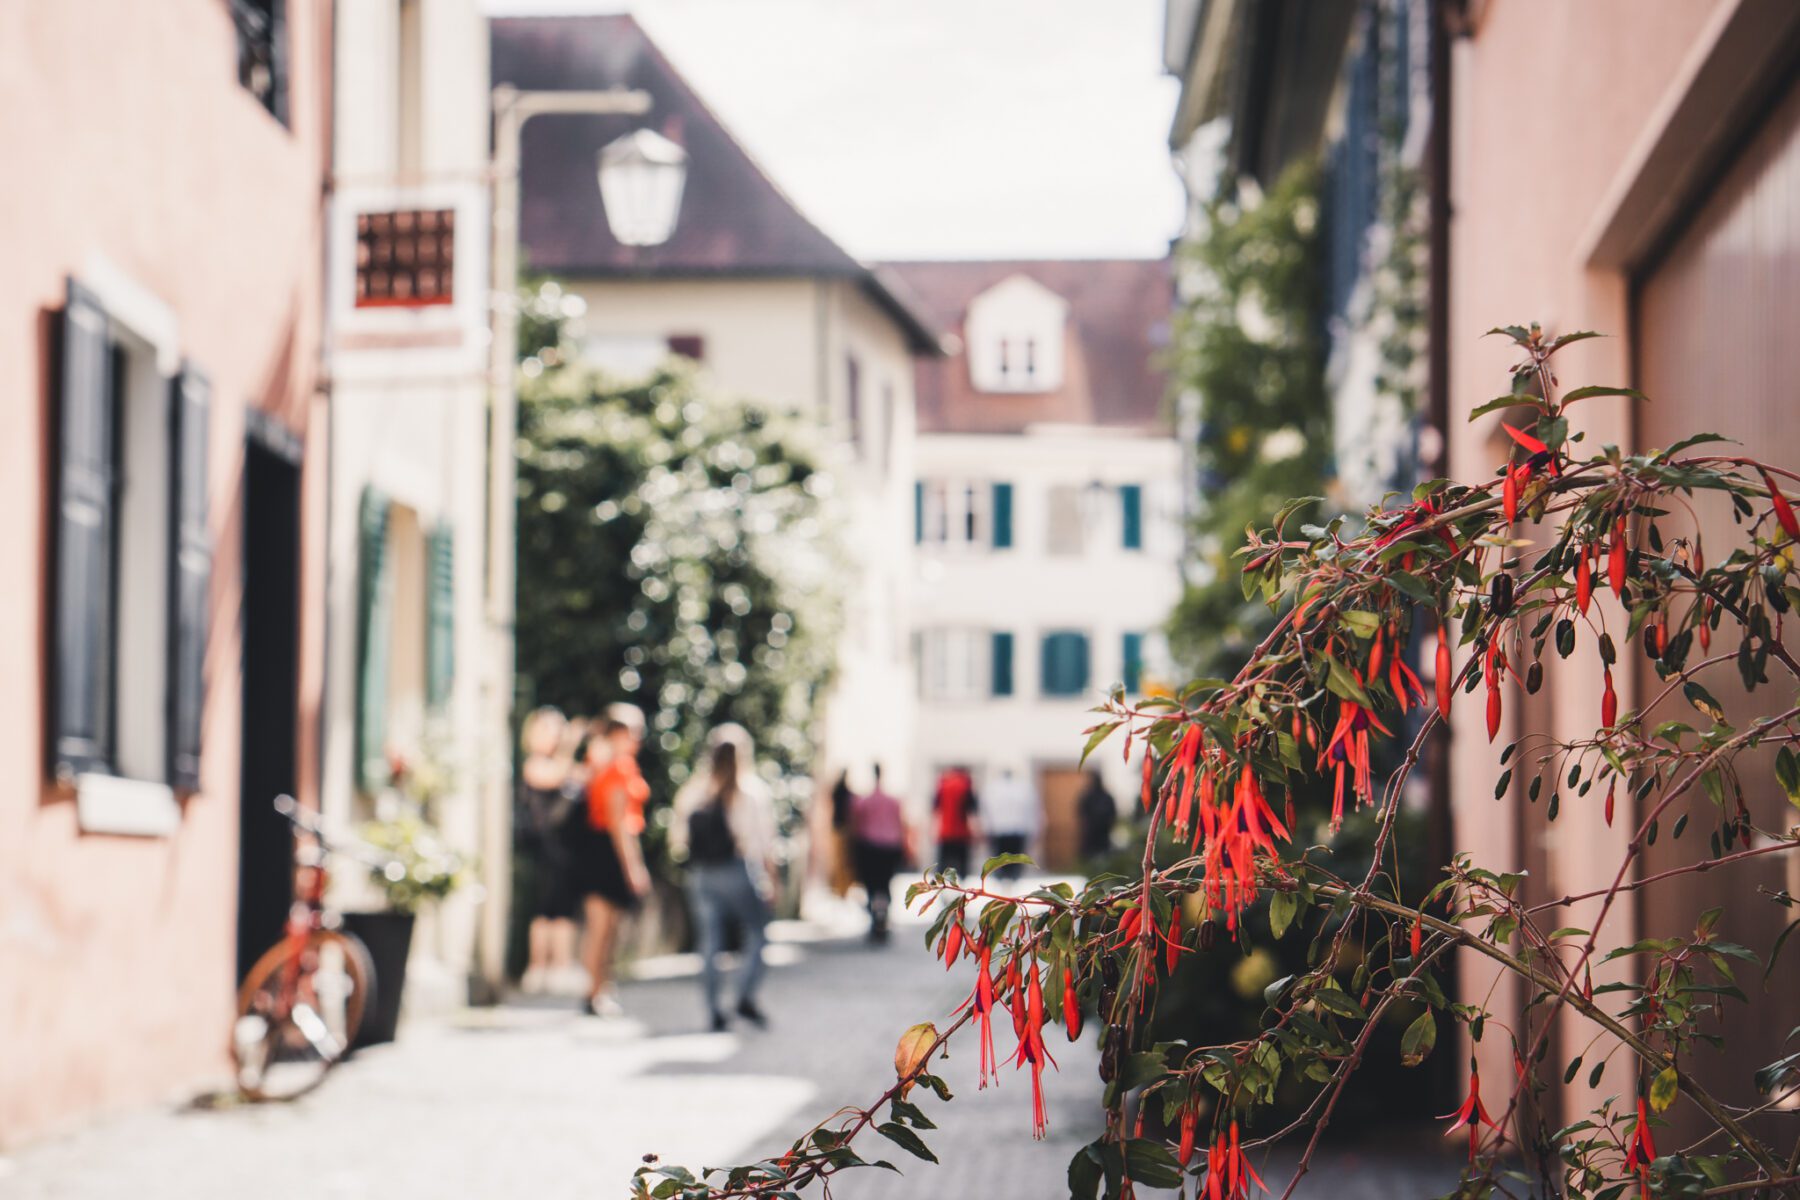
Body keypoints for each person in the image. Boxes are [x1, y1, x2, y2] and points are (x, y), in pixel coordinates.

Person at [670, 724, 777, 1031]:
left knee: (710, 943)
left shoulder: (693, 791)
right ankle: (744, 994)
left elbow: (678, 839)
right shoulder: (752, 791)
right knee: (757, 933)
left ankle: (713, 1009)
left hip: (702, 874)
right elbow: (764, 842)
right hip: (737, 870)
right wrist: (771, 879)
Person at [574, 703, 651, 1016]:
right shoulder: (617, 767)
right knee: (603, 928)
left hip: (600, 848)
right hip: (607, 849)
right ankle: (594, 991)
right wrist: (633, 867)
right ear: (618, 734)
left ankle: (598, 989)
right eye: (634, 732)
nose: (638, 739)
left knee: (605, 928)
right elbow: (620, 823)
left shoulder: (600, 763)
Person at [516, 707, 585, 994]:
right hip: (545, 846)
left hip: (565, 846)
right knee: (546, 909)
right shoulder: (535, 764)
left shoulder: (560, 762)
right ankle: (539, 967)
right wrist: (571, 744)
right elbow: (556, 777)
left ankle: (561, 966)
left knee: (563, 909)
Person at [849, 764, 908, 943]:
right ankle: (883, 915)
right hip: (890, 846)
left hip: (870, 846)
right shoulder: (893, 801)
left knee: (872, 884)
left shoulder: (863, 801)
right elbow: (901, 824)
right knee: (885, 883)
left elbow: (856, 824)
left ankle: (876, 916)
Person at [982, 765, 1038, 882]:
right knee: (1000, 864)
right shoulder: (993, 788)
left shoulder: (1023, 787)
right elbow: (986, 810)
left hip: (1014, 830)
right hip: (1001, 830)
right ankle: (1003, 886)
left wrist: (1033, 828)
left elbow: (1032, 809)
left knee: (1015, 864)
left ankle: (1012, 885)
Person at [930, 766, 980, 878]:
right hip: (962, 832)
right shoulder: (966, 786)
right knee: (962, 865)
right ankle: (962, 890)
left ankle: (942, 888)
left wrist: (933, 830)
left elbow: (935, 811)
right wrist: (976, 832)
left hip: (945, 832)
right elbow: (971, 813)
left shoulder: (942, 785)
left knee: (943, 865)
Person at [1078, 769, 1118, 861]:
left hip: (1103, 835)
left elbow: (1113, 814)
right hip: (1091, 835)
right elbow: (1082, 813)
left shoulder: (1106, 797)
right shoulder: (1087, 797)